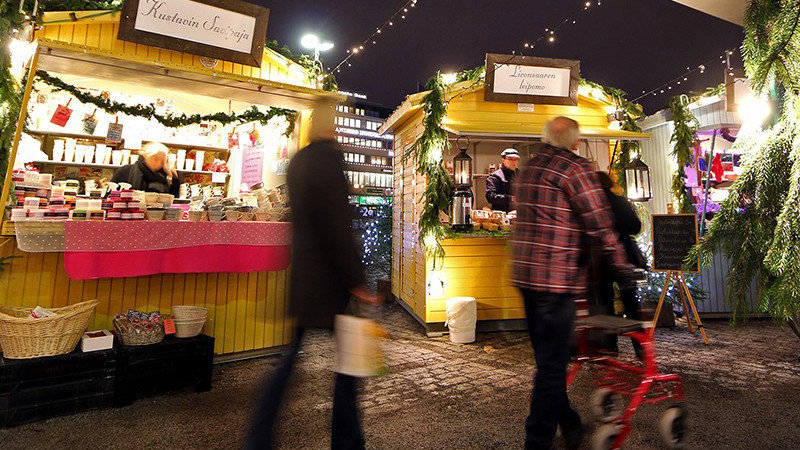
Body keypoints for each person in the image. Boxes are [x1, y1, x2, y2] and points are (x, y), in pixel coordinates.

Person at [245, 103, 378, 450]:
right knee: (350, 363)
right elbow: (337, 225)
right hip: (331, 281)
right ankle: (347, 441)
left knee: (289, 360)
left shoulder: (300, 161)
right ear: (330, 125)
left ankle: (258, 437)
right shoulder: (330, 162)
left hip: (305, 277)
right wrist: (356, 280)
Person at [511, 117, 639, 450]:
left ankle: (570, 423)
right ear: (575, 142)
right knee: (552, 367)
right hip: (555, 281)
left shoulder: (528, 168)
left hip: (524, 277)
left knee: (547, 362)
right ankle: (536, 441)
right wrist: (622, 266)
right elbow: (599, 224)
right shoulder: (575, 169)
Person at [593, 171, 648, 356]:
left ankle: (610, 345)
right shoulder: (620, 201)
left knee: (606, 302)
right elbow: (636, 227)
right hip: (625, 258)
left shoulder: (594, 206)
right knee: (631, 302)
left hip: (602, 260)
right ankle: (639, 345)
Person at [111, 142, 180, 195]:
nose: (159, 164)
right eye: (156, 159)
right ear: (146, 157)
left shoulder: (163, 176)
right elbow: (111, 194)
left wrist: (175, 178)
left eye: (162, 161)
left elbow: (170, 198)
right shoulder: (125, 171)